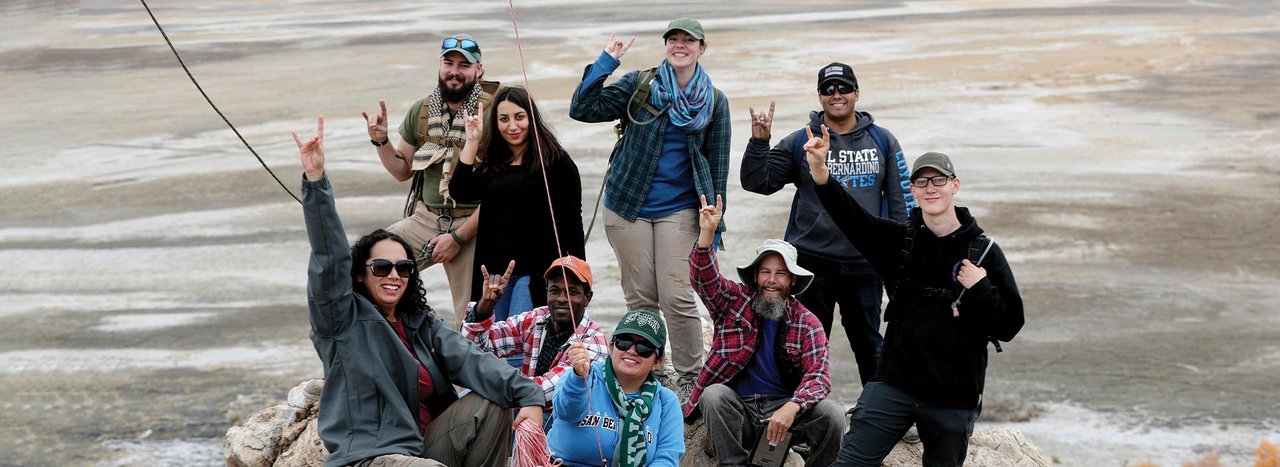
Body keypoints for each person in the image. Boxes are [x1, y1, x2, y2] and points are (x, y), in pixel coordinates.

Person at [293, 115, 544, 467]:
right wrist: (316, 181)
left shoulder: (419, 324)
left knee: (493, 398)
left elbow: (474, 361)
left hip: (424, 448)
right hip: (370, 456)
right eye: (382, 267)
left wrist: (530, 396)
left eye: (404, 267)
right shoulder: (341, 322)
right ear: (361, 276)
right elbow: (328, 257)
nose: (393, 275)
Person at [803, 138, 1025, 466]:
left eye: (938, 180)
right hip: (894, 383)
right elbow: (851, 218)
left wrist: (980, 287)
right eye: (921, 181)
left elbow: (1009, 325)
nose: (930, 188)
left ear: (954, 186)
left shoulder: (984, 252)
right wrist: (820, 169)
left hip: (953, 395)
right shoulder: (899, 242)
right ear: (914, 190)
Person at [569, 17, 732, 398]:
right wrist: (606, 63)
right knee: (641, 296)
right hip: (628, 205)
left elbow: (718, 164)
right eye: (673, 39)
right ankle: (645, 370)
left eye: (688, 40)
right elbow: (582, 108)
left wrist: (715, 225)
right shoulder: (640, 85)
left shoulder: (715, 101)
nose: (680, 45)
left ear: (701, 48)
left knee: (677, 295)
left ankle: (692, 376)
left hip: (681, 209)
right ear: (665, 45)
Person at [740, 62, 911, 386]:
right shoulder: (800, 141)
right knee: (804, 345)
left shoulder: (883, 141)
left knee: (870, 345)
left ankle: (877, 415)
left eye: (844, 87)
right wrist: (759, 142)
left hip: (866, 263)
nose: (837, 95)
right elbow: (757, 182)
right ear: (819, 96)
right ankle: (801, 413)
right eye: (828, 89)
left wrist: (902, 259)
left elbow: (902, 204)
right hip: (811, 264)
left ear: (857, 93)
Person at [685, 195, 847, 466]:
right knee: (714, 395)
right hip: (740, 409)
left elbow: (819, 377)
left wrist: (792, 407)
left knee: (834, 414)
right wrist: (707, 233)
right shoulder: (733, 301)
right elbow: (703, 279)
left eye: (781, 273)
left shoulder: (808, 323)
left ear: (793, 280)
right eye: (765, 272)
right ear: (756, 276)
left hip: (787, 415)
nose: (772, 281)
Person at [363, 33, 499, 324]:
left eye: (464, 65)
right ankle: (396, 345)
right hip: (426, 218)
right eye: (449, 63)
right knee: (368, 271)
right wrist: (381, 141)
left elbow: (502, 192)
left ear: (479, 70)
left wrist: (458, 238)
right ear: (440, 66)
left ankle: (467, 365)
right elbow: (402, 170)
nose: (454, 71)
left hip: (475, 223)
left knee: (475, 316)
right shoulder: (423, 110)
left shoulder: (494, 113)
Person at [450, 86, 585, 324]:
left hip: (535, 272)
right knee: (491, 338)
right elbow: (460, 191)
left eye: (519, 117)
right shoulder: (495, 162)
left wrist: (578, 277)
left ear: (531, 117)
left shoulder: (555, 161)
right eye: (504, 119)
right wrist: (472, 141)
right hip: (493, 272)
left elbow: (573, 222)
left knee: (520, 341)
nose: (512, 126)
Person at [461, 255, 609, 415]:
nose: (561, 299)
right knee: (465, 401)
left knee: (487, 406)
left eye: (572, 292)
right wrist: (485, 306)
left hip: (564, 420)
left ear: (587, 299)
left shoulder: (594, 343)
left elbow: (545, 393)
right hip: (527, 404)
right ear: (546, 293)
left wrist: (489, 383)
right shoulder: (536, 319)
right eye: (555, 291)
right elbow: (472, 347)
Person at [550, 309, 686, 466]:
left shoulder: (666, 401)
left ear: (658, 361)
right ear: (611, 347)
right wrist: (579, 378)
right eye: (624, 342)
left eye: (644, 348)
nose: (632, 351)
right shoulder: (582, 374)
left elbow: (666, 459)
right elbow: (567, 412)